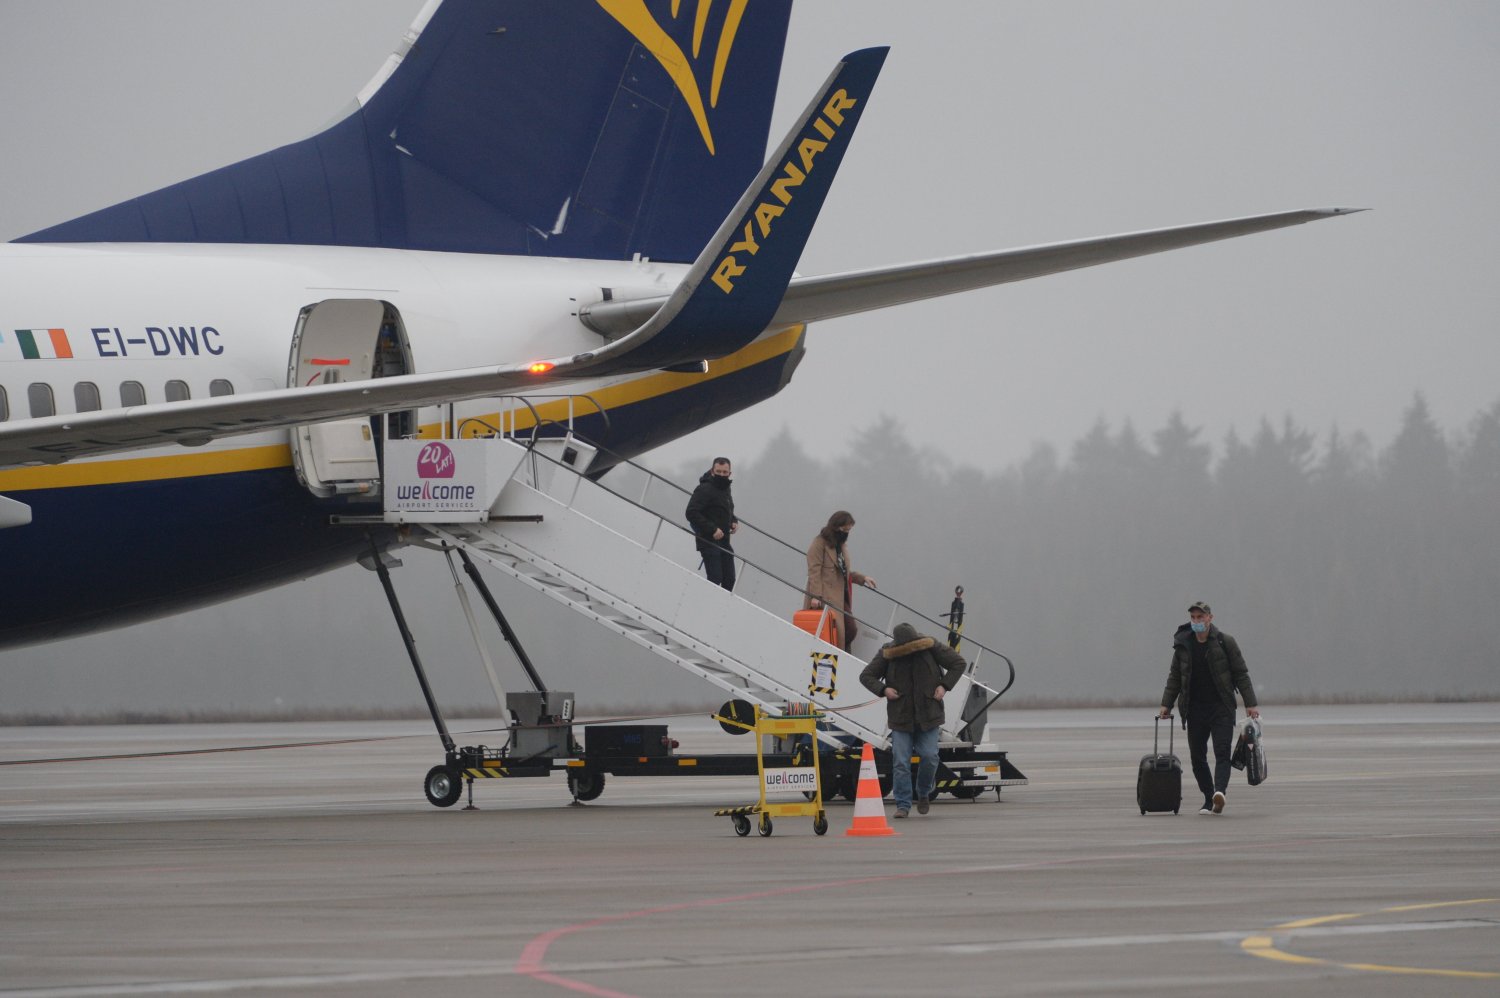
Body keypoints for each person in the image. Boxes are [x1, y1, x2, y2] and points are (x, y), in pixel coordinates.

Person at [1158, 601, 1261, 815]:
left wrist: (1250, 703)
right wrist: (1166, 704)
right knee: (1197, 757)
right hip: (1194, 709)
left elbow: (1241, 674)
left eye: (1201, 617)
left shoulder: (1225, 642)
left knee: (1222, 752)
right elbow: (1175, 677)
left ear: (1210, 618)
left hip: (1221, 707)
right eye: (1193, 618)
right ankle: (1208, 797)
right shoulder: (1183, 645)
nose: (1197, 621)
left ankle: (1219, 792)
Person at [860, 622, 967, 818]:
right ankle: (903, 805)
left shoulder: (930, 646)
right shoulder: (887, 653)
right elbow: (866, 676)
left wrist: (944, 686)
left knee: (930, 757)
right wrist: (884, 690)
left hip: (929, 715)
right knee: (900, 762)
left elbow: (958, 663)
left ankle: (924, 792)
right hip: (901, 717)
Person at [803, 510, 877, 650]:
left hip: (840, 597)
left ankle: (842, 654)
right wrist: (815, 596)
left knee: (848, 630)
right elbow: (814, 570)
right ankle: (840, 654)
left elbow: (844, 572)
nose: (847, 533)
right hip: (824, 597)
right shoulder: (819, 543)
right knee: (845, 630)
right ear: (836, 527)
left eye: (849, 529)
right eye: (845, 529)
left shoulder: (841, 546)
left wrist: (863, 579)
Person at [685, 457, 739, 590]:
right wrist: (712, 529)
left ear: (729, 474)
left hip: (724, 541)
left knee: (730, 579)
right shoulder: (704, 489)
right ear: (712, 471)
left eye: (724, 472)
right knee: (715, 579)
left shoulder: (726, 489)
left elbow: (726, 509)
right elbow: (691, 512)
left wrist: (733, 521)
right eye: (718, 471)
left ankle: (722, 608)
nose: (721, 475)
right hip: (708, 540)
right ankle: (707, 607)